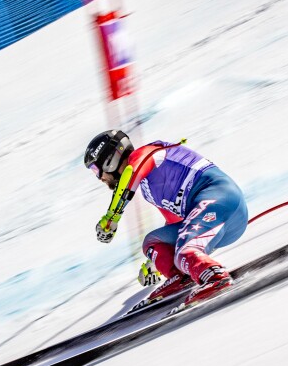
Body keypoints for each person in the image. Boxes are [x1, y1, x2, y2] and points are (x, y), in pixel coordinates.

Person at [84, 130, 249, 307]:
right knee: (152, 242)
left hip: (222, 199)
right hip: (218, 219)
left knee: (185, 250)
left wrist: (111, 217)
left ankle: (216, 277)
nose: (99, 177)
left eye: (96, 169)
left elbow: (131, 172)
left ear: (110, 160)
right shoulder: (148, 189)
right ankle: (182, 276)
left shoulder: (146, 154)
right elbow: (175, 222)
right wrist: (157, 262)